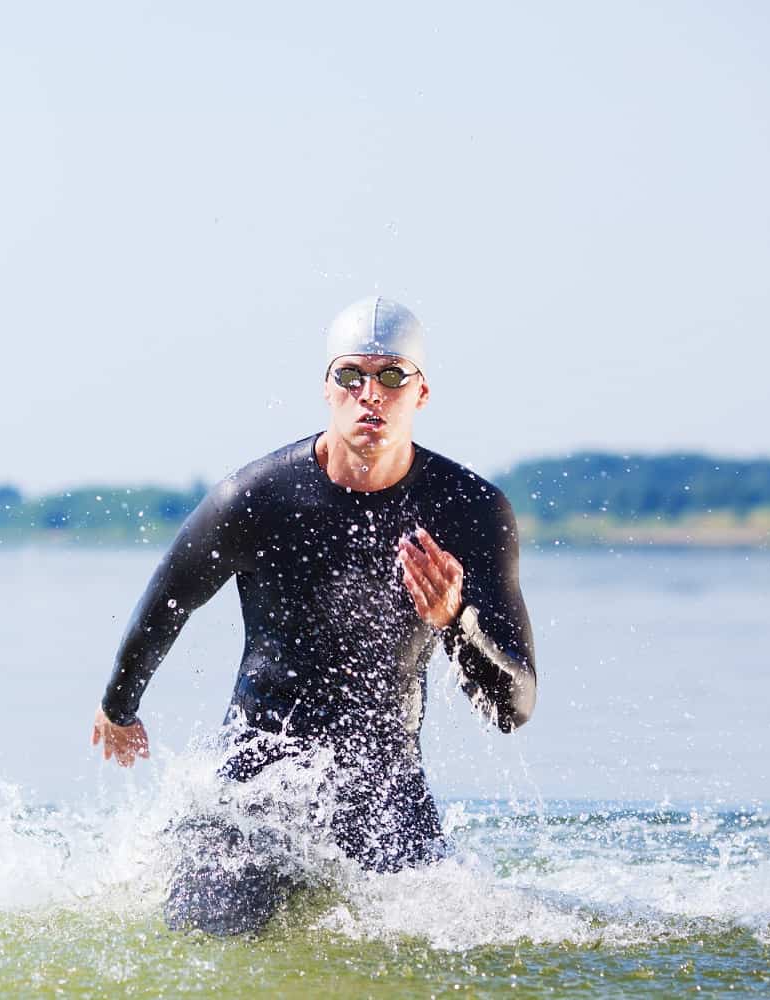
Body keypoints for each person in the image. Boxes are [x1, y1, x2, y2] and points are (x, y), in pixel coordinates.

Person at [89, 295, 538, 935]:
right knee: (209, 939)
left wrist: (454, 617)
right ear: (326, 388)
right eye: (351, 376)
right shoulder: (256, 497)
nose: (370, 395)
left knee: (448, 942)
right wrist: (119, 705)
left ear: (422, 392)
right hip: (260, 777)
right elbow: (169, 599)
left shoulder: (469, 510)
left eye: (391, 377)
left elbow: (514, 706)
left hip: (385, 784)